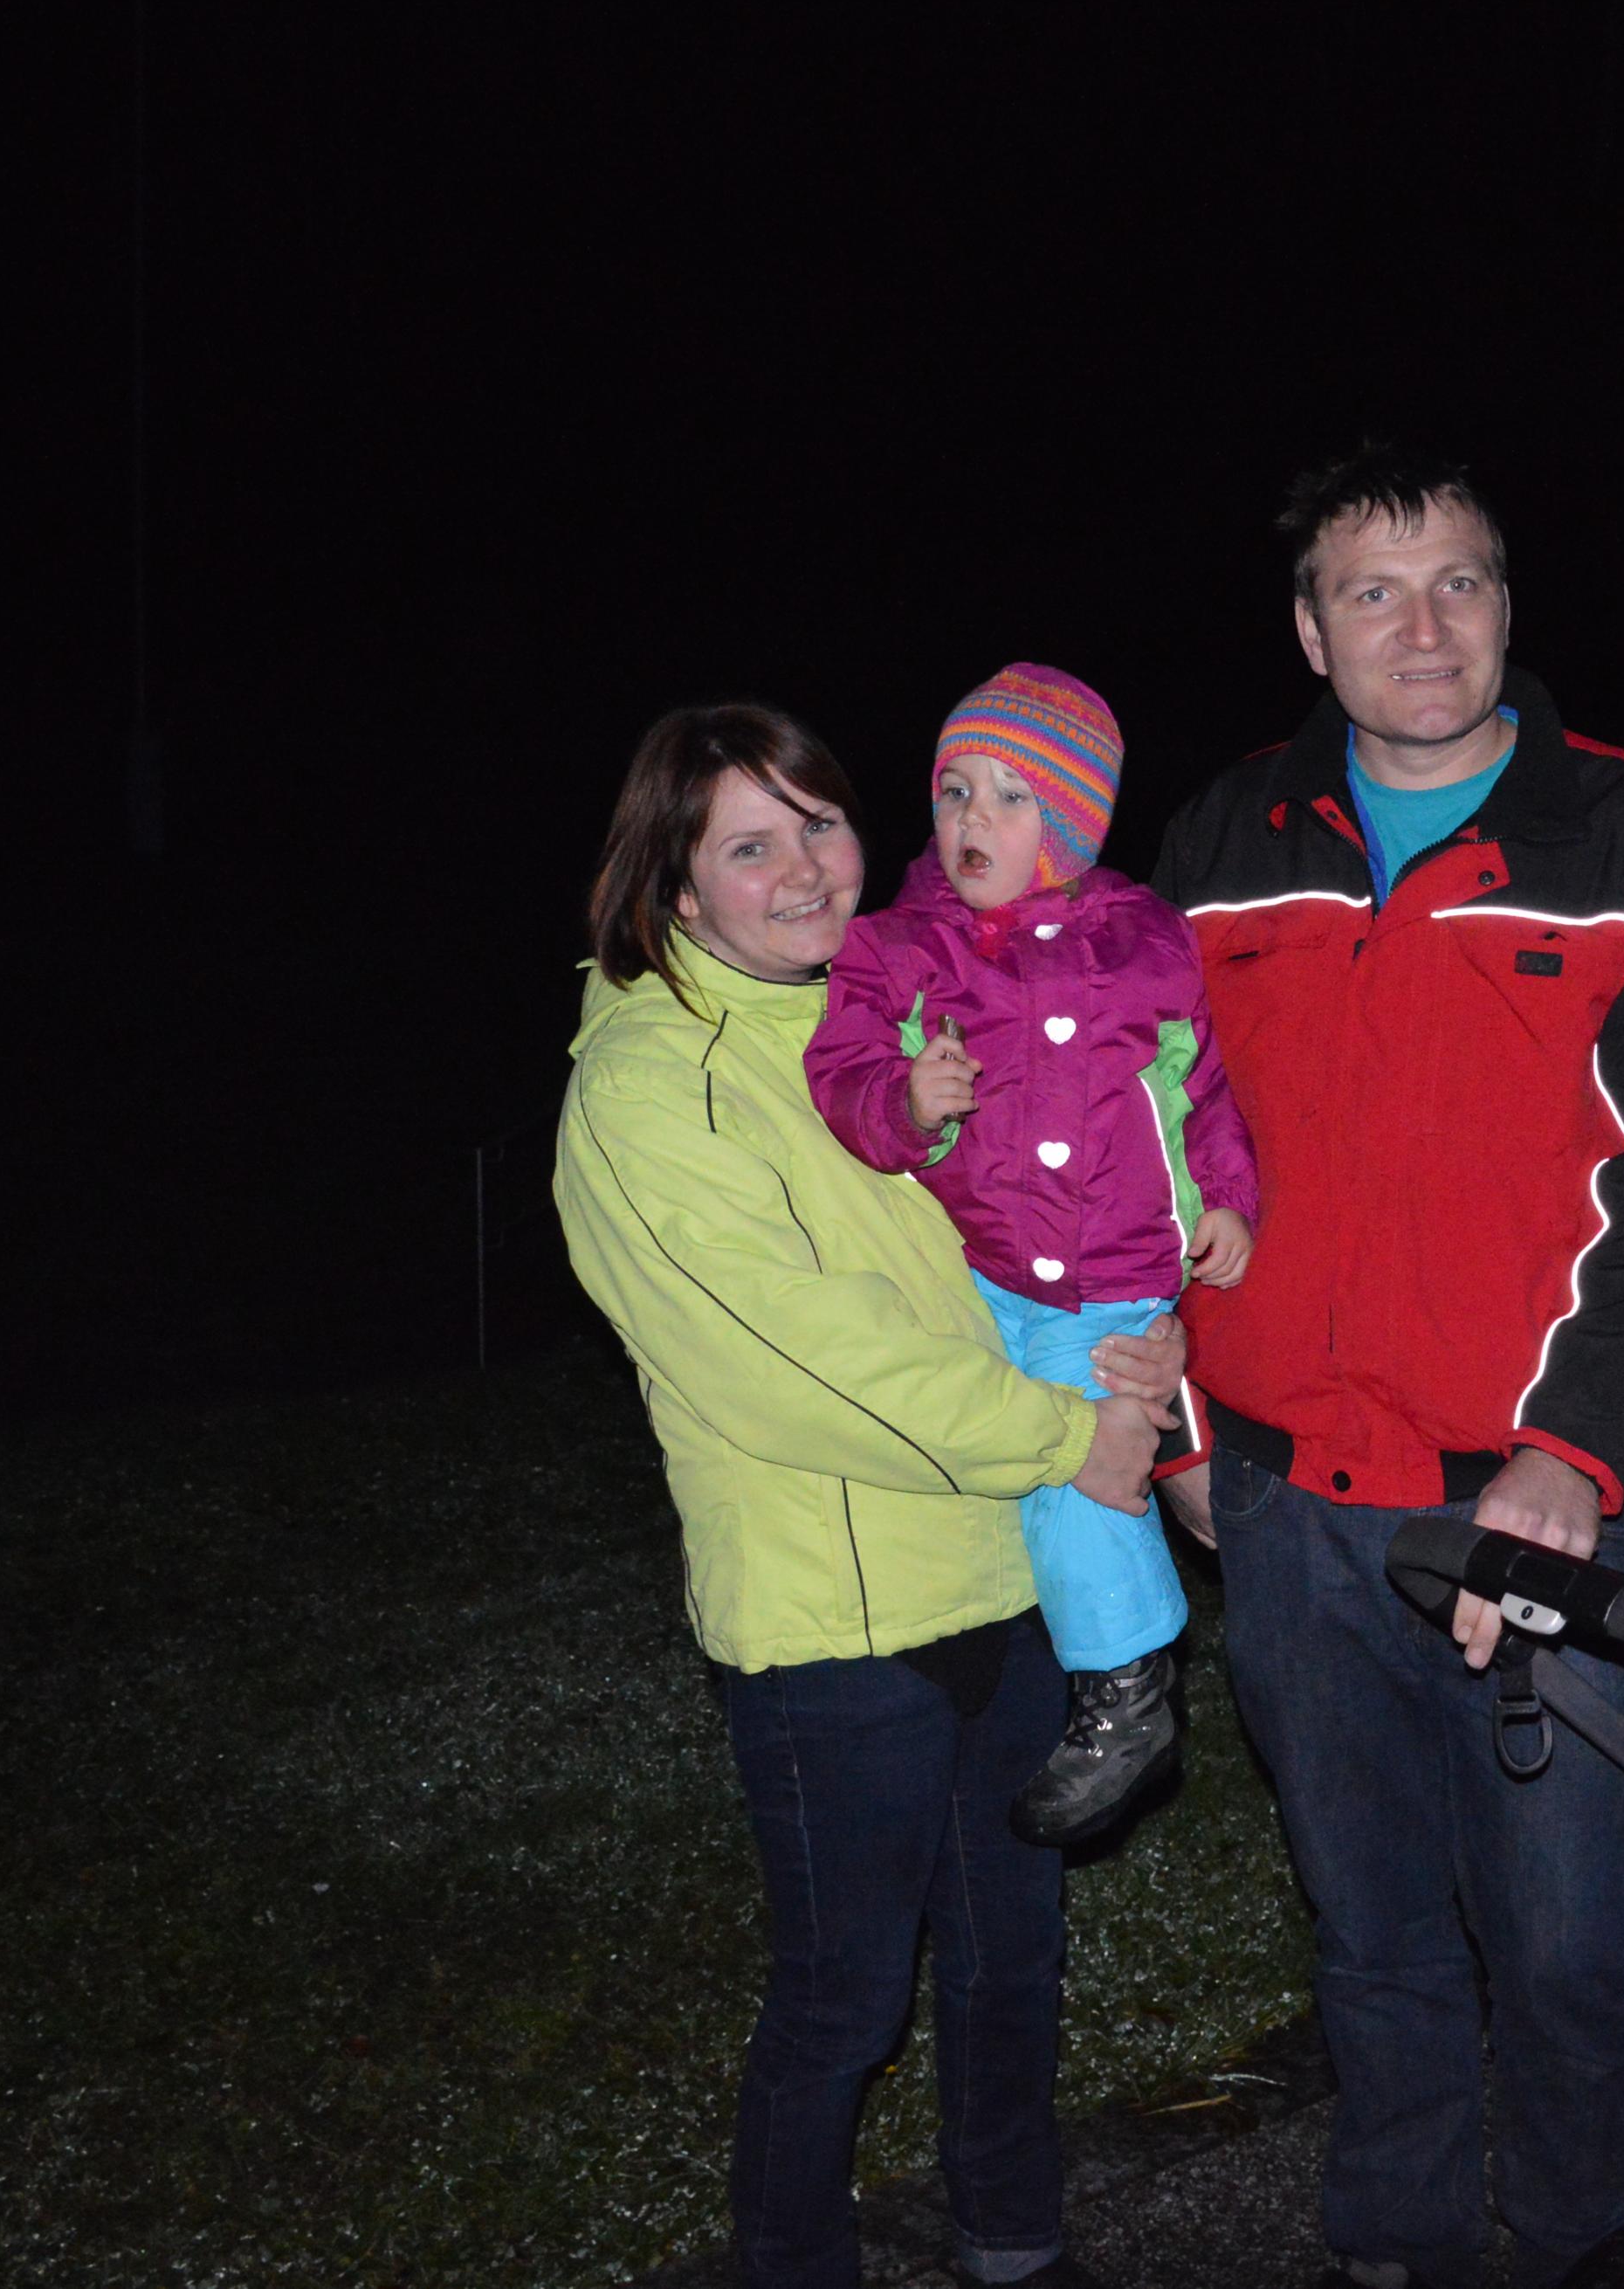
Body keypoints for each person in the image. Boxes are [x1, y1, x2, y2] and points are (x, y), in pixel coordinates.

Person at [1152, 446, 1624, 2289]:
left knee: (1567, 1937)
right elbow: (1138, 1156)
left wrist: (1574, 1450)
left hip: (1530, 1513)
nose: (1422, 628)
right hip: (1280, 1505)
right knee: (1368, 1932)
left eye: (1461, 583)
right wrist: (1179, 1432)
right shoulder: (1217, 839)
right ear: (1307, 628)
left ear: (1507, 602)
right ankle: (1399, 2238)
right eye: (1373, 588)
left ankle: (1581, 2241)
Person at [553, 702, 1176, 2289]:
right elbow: (802, 1357)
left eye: (819, 823)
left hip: (1008, 1571)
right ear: (675, 885)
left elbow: (1054, 1210)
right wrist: (1070, 1437)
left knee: (1010, 1962)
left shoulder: (891, 1002)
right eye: (749, 845)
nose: (805, 869)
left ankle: (1015, 2245)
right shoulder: (649, 1089)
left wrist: (1146, 1320)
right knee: (845, 2003)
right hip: (837, 1627)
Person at [803, 664, 1259, 1844]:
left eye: (1013, 798)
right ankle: (985, 1679)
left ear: (1072, 824)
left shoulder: (1148, 939)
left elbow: (1201, 1085)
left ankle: (1127, 1686)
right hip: (967, 1269)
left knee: (1077, 1461)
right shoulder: (896, 944)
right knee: (985, 1460)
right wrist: (904, 1100)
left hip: (1107, 1269)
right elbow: (841, 1071)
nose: (974, 819)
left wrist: (1228, 1198)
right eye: (955, 789)